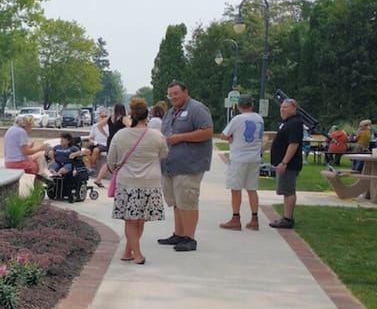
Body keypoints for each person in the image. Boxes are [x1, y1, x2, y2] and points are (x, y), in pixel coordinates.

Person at [107, 97, 168, 264]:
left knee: (131, 219)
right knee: (139, 219)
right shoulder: (157, 135)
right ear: (146, 115)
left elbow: (111, 161)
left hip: (127, 182)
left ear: (131, 114)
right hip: (151, 182)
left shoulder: (120, 135)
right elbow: (164, 155)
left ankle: (129, 251)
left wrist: (118, 170)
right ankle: (136, 253)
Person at [157, 81, 214, 252]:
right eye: (170, 94)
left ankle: (190, 238)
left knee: (187, 201)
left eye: (176, 93)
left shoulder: (197, 109)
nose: (173, 97)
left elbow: (207, 131)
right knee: (176, 201)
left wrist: (181, 137)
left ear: (185, 92)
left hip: (189, 165)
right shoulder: (170, 113)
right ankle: (179, 234)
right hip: (170, 165)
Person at [218, 95, 264, 230]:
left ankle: (235, 218)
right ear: (252, 105)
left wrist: (231, 138)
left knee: (236, 189)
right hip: (254, 158)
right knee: (252, 189)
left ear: (238, 106)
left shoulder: (238, 119)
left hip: (239, 158)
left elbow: (224, 135)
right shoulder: (259, 118)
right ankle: (254, 218)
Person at [268, 98, 304, 229]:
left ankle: (288, 219)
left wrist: (284, 162)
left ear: (294, 109)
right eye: (281, 107)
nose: (282, 109)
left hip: (289, 164)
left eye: (286, 107)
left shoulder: (294, 123)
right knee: (285, 190)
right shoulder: (288, 122)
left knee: (288, 191)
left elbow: (293, 144)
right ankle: (286, 217)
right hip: (284, 164)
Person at [3, 115, 52, 183]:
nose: (31, 128)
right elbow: (26, 152)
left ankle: (41, 172)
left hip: (9, 161)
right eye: (31, 125)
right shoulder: (21, 132)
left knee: (40, 156)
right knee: (37, 166)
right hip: (17, 162)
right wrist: (41, 148)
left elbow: (19, 149)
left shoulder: (11, 129)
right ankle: (38, 189)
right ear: (26, 124)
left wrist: (30, 147)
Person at [94, 103, 131, 187]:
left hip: (110, 140)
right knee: (121, 161)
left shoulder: (111, 117)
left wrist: (106, 135)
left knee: (109, 161)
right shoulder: (124, 118)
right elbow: (131, 127)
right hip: (120, 140)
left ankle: (98, 179)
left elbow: (99, 125)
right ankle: (117, 181)